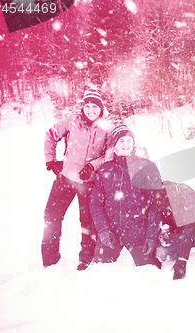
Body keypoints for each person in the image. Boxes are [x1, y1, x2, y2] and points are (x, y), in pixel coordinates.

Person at [42, 88, 113, 271]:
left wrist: (92, 166)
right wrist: (51, 161)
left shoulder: (106, 127)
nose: (90, 110)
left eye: (94, 106)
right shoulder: (71, 120)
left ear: (101, 108)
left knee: (88, 221)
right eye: (87, 106)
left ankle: (86, 259)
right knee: (52, 217)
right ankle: (49, 261)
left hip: (89, 183)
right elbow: (50, 136)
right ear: (83, 107)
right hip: (65, 178)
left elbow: (109, 154)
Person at [90, 124, 163, 269]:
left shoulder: (146, 167)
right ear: (114, 145)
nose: (126, 144)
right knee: (99, 274)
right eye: (121, 141)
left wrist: (151, 236)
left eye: (129, 140)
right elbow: (95, 204)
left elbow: (157, 204)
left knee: (150, 274)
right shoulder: (105, 170)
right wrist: (103, 230)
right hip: (112, 234)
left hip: (139, 234)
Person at [152, 181, 195, 280]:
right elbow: (155, 225)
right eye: (164, 212)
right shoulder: (157, 198)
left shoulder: (186, 193)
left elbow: (189, 228)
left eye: (169, 210)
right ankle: (178, 249)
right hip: (178, 236)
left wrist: (182, 260)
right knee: (160, 254)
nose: (167, 214)